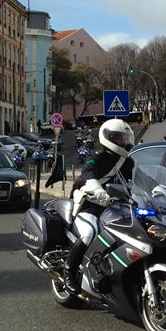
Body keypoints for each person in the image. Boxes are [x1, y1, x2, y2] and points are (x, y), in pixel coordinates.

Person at [65, 119, 135, 295]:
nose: (124, 142)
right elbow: (88, 175)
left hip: (117, 209)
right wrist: (98, 190)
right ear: (108, 138)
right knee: (89, 233)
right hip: (91, 206)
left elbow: (140, 180)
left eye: (125, 138)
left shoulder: (128, 162)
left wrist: (158, 189)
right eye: (119, 139)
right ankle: (69, 273)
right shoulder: (95, 157)